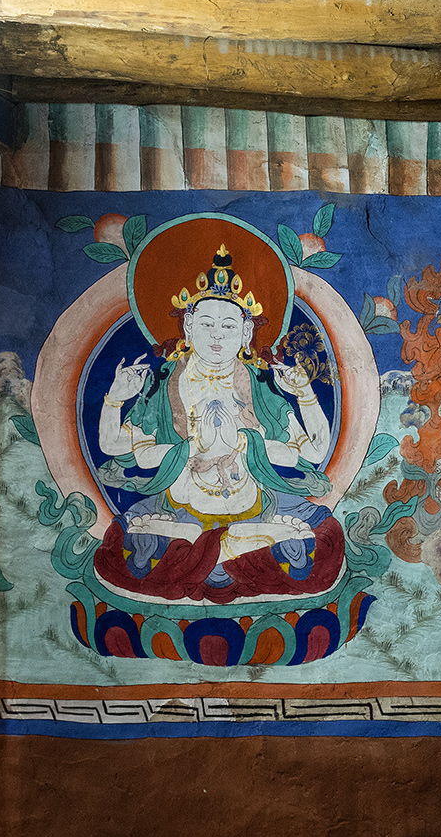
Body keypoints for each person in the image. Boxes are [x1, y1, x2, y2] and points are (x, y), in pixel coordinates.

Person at [96, 246, 334, 587]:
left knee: (327, 538)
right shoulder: (166, 381)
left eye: (228, 325)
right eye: (206, 324)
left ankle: (208, 544)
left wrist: (305, 394)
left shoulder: (259, 382)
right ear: (189, 327)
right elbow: (112, 445)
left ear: (246, 333)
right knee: (121, 543)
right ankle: (231, 543)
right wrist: (114, 400)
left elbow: (314, 452)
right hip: (180, 502)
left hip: (254, 502)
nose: (217, 335)